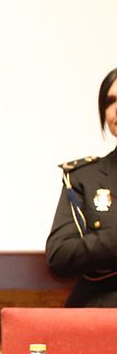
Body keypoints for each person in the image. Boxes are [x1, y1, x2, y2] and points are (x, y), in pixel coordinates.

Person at [46, 67, 117, 306]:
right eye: (110, 101)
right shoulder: (85, 177)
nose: (116, 108)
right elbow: (60, 255)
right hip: (102, 311)